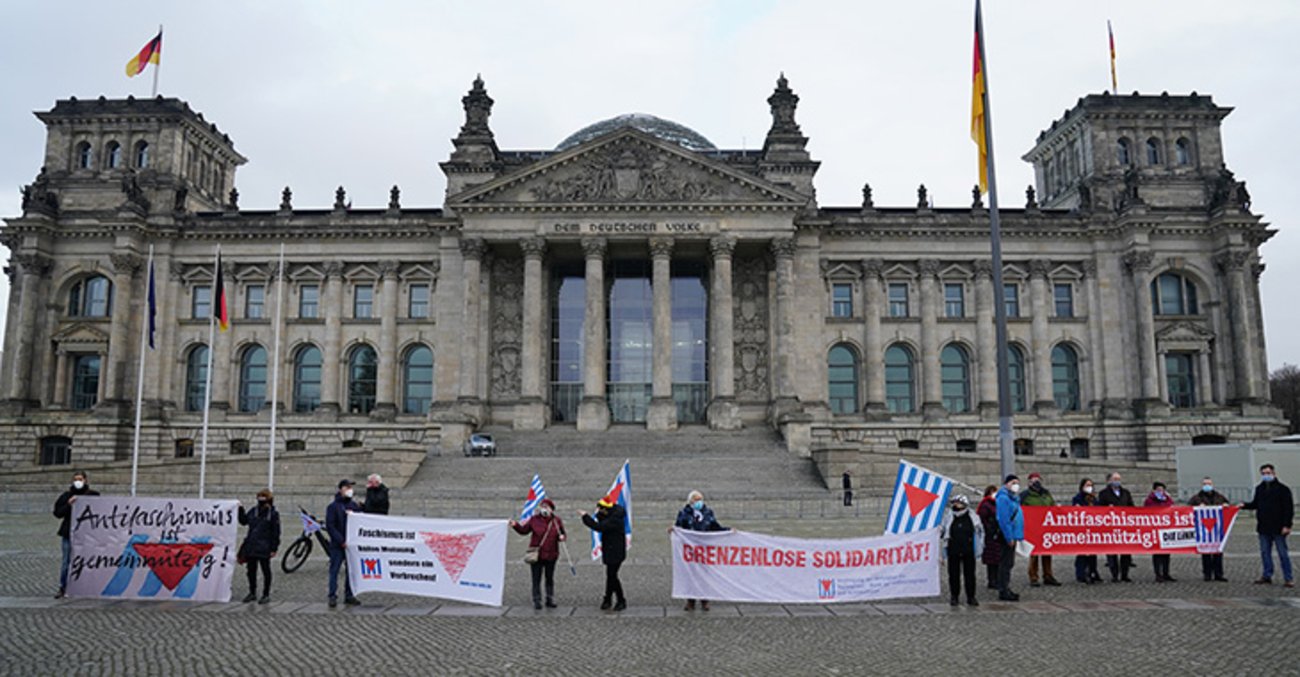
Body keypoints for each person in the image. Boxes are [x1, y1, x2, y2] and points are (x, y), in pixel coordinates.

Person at [1240, 464, 1294, 587]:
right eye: (1264, 473)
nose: (1266, 475)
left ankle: (1288, 577)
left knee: (1283, 553)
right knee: (1265, 553)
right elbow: (1255, 504)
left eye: (1268, 473)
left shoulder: (1283, 489)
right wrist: (1244, 505)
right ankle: (1267, 575)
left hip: (1279, 527)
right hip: (1264, 527)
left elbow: (1288, 509)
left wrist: (1287, 525)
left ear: (1274, 473)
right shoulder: (1260, 489)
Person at [510, 498, 567, 610]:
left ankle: (549, 598)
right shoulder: (534, 519)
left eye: (546, 507)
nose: (544, 509)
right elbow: (524, 531)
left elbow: (563, 533)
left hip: (552, 554)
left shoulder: (557, 521)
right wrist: (515, 525)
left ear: (552, 509)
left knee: (549, 578)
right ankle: (537, 599)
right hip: (537, 554)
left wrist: (562, 537)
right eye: (542, 507)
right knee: (536, 578)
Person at [675, 490, 726, 611]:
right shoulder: (683, 513)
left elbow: (715, 527)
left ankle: (704, 600)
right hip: (690, 550)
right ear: (690, 501)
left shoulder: (708, 512)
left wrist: (728, 531)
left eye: (700, 499)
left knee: (704, 575)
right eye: (696, 499)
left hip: (704, 549)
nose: (699, 502)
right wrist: (673, 531)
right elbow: (678, 527)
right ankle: (690, 601)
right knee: (690, 575)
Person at [52, 470, 100, 598]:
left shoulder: (94, 495)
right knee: (66, 561)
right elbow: (57, 513)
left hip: (87, 535)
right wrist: (69, 504)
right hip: (68, 533)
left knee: (88, 561)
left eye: (80, 479)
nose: (78, 482)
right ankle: (63, 587)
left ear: (85, 480)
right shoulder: (66, 496)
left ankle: (86, 587)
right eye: (76, 479)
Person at [581, 494, 627, 611]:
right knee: (611, 576)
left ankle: (620, 600)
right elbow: (601, 519)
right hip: (610, 549)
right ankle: (608, 599)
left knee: (612, 576)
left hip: (615, 551)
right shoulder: (612, 513)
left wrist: (585, 516)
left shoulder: (614, 519)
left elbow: (598, 526)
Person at [237, 488, 281, 603]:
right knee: (251, 571)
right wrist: (240, 509)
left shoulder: (273, 514)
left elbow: (276, 532)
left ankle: (266, 594)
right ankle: (252, 592)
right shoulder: (253, 511)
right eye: (259, 498)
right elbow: (244, 521)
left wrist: (274, 548)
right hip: (252, 546)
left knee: (266, 571)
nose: (261, 501)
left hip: (264, 547)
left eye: (263, 498)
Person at [941, 494, 983, 607]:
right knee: (953, 575)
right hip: (953, 550)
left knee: (970, 575)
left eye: (958, 503)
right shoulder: (949, 517)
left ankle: (971, 597)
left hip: (968, 550)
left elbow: (980, 532)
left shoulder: (973, 517)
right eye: (954, 503)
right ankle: (954, 596)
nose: (956, 505)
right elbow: (943, 531)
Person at [326, 479, 362, 608]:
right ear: (341, 489)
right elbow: (330, 526)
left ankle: (349, 594)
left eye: (351, 487)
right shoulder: (333, 507)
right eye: (347, 487)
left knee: (351, 572)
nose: (350, 489)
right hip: (338, 545)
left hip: (351, 545)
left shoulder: (353, 505)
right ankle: (332, 595)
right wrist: (341, 541)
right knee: (334, 570)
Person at [1021, 472, 1061, 587]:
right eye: (1033, 480)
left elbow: (1052, 506)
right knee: (1034, 553)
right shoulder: (1025, 496)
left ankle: (1048, 575)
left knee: (1047, 552)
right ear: (1029, 482)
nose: (1036, 482)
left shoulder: (1046, 494)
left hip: (1046, 528)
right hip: (1033, 528)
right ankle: (1033, 576)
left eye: (1038, 480)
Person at [1188, 475, 1230, 582]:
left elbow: (1227, 504)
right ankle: (1207, 574)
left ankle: (1218, 574)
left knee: (1218, 552)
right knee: (1206, 552)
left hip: (1217, 529)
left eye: (1209, 484)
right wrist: (1197, 507)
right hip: (1203, 529)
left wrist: (1226, 506)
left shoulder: (1219, 497)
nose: (1207, 486)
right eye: (1205, 484)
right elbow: (1188, 508)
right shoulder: (1197, 498)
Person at [1097, 471, 1134, 582]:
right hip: (1110, 527)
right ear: (1109, 481)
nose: (1117, 481)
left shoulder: (1126, 493)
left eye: (1118, 479)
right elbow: (1100, 509)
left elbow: (1132, 506)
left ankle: (1125, 574)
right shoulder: (1103, 493)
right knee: (1112, 552)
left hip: (1124, 526)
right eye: (1115, 479)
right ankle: (1114, 574)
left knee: (1126, 552)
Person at [995, 474, 1024, 601]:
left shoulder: (1013, 498)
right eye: (1013, 482)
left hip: (1013, 534)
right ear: (1006, 484)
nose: (1016, 485)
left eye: (1017, 482)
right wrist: (1009, 537)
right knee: (1005, 563)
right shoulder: (1003, 498)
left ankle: (1005, 587)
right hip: (1007, 535)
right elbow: (1004, 520)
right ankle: (1003, 589)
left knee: (1009, 563)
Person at [1071, 478, 1103, 584]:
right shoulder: (1077, 498)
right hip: (1082, 529)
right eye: (1087, 485)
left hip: (1093, 529)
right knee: (1082, 553)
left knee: (1093, 553)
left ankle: (1093, 572)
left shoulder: (1094, 499)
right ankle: (1081, 573)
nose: (1090, 487)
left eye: (1091, 485)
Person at [1144, 482, 1176, 582]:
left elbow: (1171, 508)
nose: (1160, 492)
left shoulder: (1167, 499)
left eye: (1162, 490)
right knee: (1157, 553)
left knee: (1166, 553)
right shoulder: (1149, 501)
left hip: (1166, 529)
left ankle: (1166, 573)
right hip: (1155, 529)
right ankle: (1158, 574)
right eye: (1158, 490)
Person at [976, 485, 1003, 589]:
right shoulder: (986, 505)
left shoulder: (996, 504)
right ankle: (992, 580)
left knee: (997, 558)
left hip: (997, 534)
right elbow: (982, 519)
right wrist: (989, 528)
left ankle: (996, 579)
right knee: (992, 560)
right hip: (990, 535)